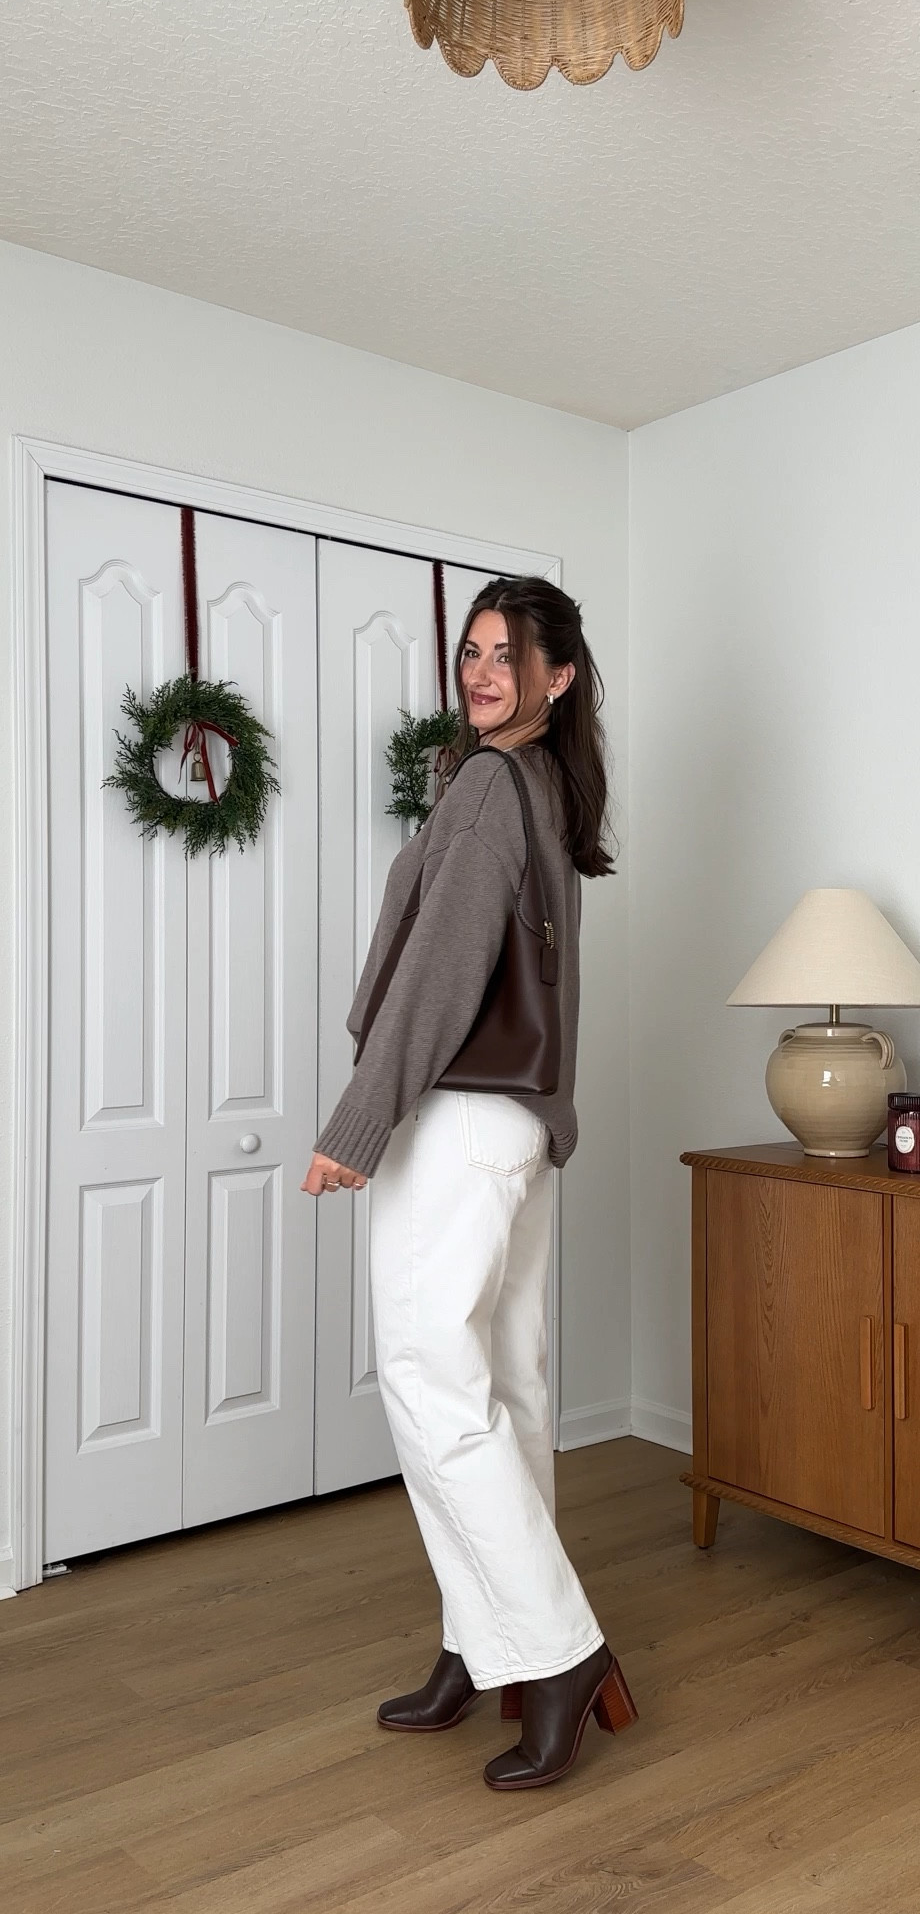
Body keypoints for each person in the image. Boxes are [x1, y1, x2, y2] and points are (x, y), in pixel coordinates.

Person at [302, 575, 636, 1791]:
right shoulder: (538, 783)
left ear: (560, 676)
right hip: (519, 1130)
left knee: (433, 1385)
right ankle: (481, 1642)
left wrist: (361, 1118)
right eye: (473, 652)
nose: (483, 673)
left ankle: (557, 1653)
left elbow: (441, 972)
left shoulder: (492, 784)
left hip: (457, 1120)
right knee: (507, 1390)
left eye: (509, 655)